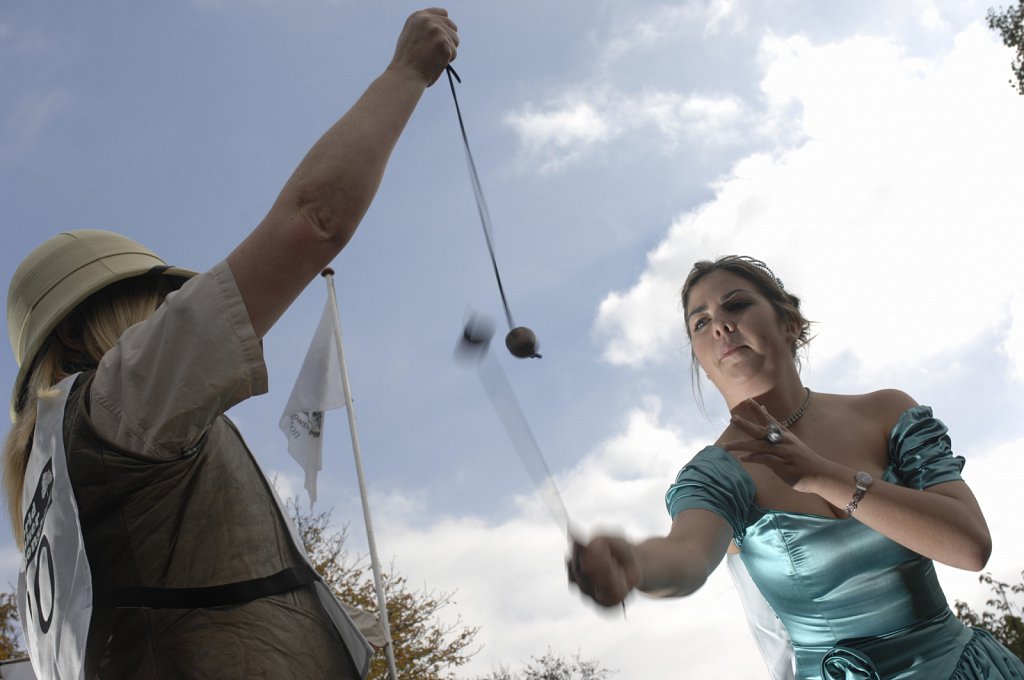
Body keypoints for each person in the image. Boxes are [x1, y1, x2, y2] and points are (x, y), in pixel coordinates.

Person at [3, 8, 458, 679]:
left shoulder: (53, 486)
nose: (168, 310)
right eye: (153, 297)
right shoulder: (126, 396)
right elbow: (313, 222)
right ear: (79, 328)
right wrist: (406, 72)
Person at [568, 255, 1024, 679]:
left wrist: (823, 476)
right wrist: (636, 565)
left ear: (790, 322)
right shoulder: (716, 474)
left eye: (737, 304)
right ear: (701, 361)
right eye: (701, 322)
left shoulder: (886, 412)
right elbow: (685, 556)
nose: (720, 326)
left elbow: (970, 547)